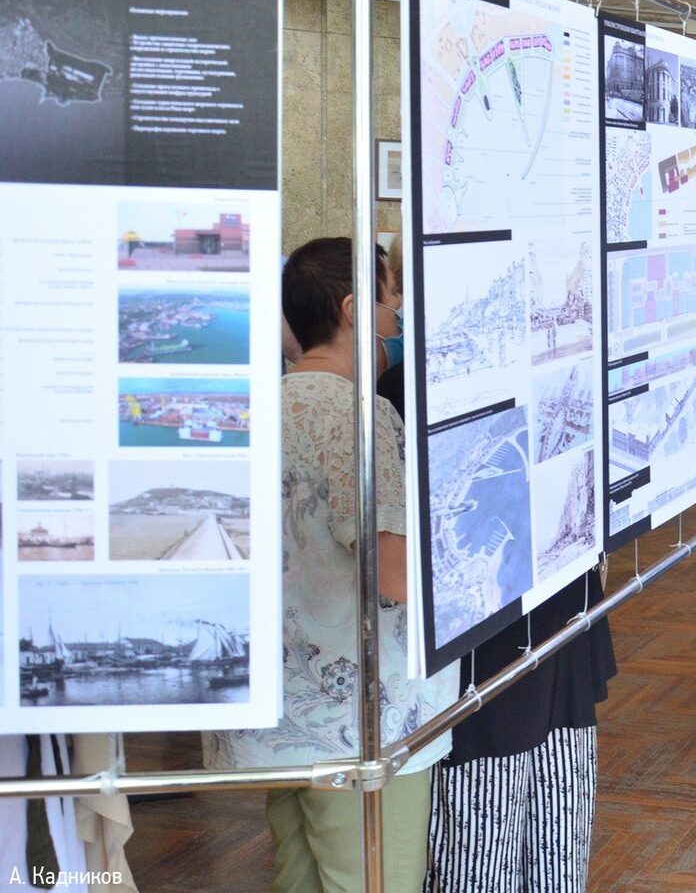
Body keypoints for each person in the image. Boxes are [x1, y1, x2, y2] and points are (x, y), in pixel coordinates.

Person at [204, 237, 457, 893]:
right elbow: (395, 574)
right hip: (357, 724)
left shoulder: (255, 409)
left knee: (299, 876)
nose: (396, 316)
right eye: (389, 301)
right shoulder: (361, 416)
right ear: (352, 310)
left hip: (275, 712)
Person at [371, 278, 617, 893]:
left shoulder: (405, 387)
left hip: (506, 628)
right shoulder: (564, 363)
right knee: (524, 811)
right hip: (505, 628)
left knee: (514, 815)